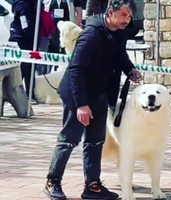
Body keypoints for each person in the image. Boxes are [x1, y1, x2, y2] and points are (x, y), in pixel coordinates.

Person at [44, 0, 142, 200]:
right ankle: (52, 181)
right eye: (123, 15)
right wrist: (81, 105)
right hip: (78, 95)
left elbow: (120, 55)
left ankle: (92, 185)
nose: (127, 20)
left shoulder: (120, 32)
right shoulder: (91, 35)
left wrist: (130, 69)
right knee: (68, 140)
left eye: (129, 16)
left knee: (95, 141)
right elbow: (76, 70)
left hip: (100, 94)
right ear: (110, 13)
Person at [9, 0, 37, 100]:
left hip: (23, 36)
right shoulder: (23, 5)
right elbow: (24, 22)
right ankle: (28, 92)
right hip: (25, 37)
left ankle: (27, 91)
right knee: (28, 65)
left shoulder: (25, 3)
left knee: (27, 65)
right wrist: (29, 33)